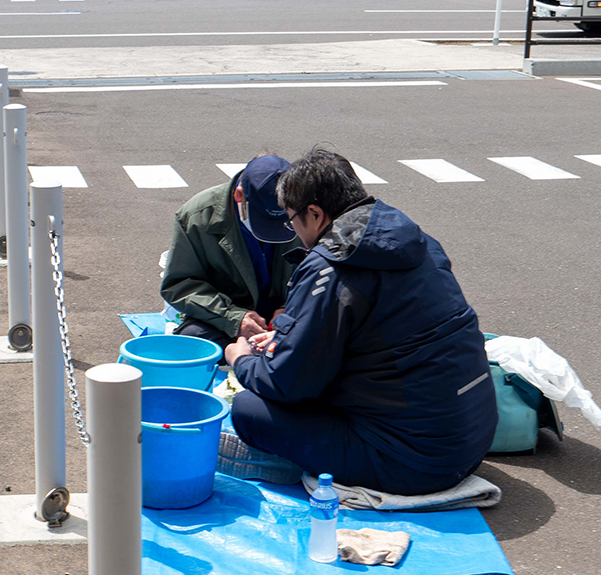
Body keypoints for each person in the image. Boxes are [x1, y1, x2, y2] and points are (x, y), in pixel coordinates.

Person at [224, 148, 496, 497]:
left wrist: (241, 358)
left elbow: (288, 384)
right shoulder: (420, 241)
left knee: (249, 410)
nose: (291, 228)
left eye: (291, 219)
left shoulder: (331, 267)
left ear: (315, 213)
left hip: (413, 464)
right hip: (474, 438)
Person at [161, 155, 304, 351]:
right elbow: (179, 285)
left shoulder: (306, 210)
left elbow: (323, 272)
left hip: (285, 317)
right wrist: (235, 318)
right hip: (226, 316)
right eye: (262, 220)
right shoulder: (197, 216)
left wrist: (291, 309)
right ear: (239, 195)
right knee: (193, 339)